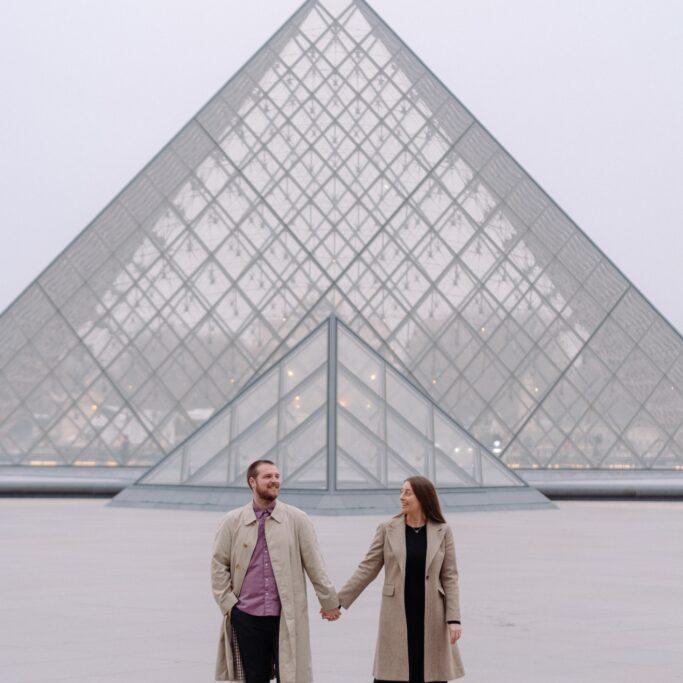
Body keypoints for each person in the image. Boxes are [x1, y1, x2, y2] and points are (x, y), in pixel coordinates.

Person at [211, 459, 340, 682]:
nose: (275, 481)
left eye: (277, 476)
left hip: (286, 617)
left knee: (290, 677)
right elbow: (219, 564)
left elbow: (315, 565)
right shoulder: (232, 521)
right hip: (246, 616)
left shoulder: (297, 519)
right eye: (268, 476)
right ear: (252, 482)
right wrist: (229, 605)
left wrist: (329, 603)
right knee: (254, 678)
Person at [335, 476, 464, 682]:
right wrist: (338, 602)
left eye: (408, 493)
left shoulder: (442, 530)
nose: (402, 497)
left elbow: (450, 577)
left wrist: (454, 619)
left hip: (432, 613)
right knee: (394, 674)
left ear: (423, 497)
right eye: (401, 492)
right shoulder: (387, 528)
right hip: (396, 611)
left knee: (429, 673)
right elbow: (367, 569)